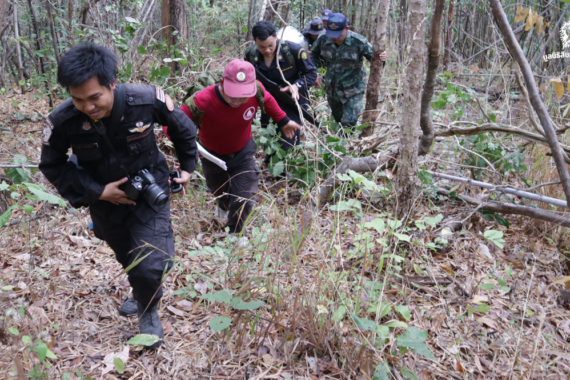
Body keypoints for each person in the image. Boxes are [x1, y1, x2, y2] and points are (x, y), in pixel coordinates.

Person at [39, 44, 197, 348]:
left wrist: (187, 167)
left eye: (94, 97)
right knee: (127, 255)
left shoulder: (146, 99)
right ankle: (140, 291)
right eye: (78, 99)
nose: (87, 107)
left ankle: (148, 311)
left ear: (111, 82)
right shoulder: (63, 120)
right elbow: (51, 163)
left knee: (152, 262)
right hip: (104, 201)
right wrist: (98, 192)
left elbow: (184, 130)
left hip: (151, 194)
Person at [180, 59, 301, 234]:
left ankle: (236, 232)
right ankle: (222, 205)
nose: (238, 100)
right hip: (211, 154)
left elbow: (267, 100)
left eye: (243, 95)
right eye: (233, 94)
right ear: (222, 83)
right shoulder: (202, 100)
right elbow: (174, 124)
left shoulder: (256, 90)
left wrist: (283, 120)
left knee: (244, 194)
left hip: (243, 150)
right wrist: (186, 148)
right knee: (219, 189)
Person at [245, 21, 317, 154]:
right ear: (255, 41)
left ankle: (286, 172)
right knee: (269, 141)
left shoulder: (293, 50)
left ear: (276, 37)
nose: (267, 50)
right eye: (262, 47)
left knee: (288, 145)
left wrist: (296, 86)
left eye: (270, 45)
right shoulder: (251, 55)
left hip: (291, 103)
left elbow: (311, 73)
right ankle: (273, 170)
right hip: (267, 104)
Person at [310, 12, 386, 129]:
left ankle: (347, 144)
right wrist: (315, 73)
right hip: (332, 89)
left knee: (348, 124)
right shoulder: (323, 39)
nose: (334, 37)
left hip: (353, 90)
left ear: (346, 28)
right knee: (338, 120)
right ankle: (342, 144)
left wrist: (381, 58)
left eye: (338, 34)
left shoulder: (359, 42)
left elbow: (376, 62)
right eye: (332, 34)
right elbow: (313, 56)